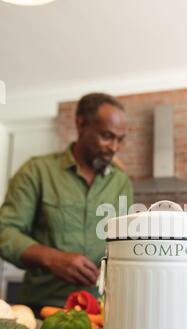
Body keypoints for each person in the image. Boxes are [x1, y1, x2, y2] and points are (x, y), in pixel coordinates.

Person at [0, 93, 133, 309]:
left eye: (120, 140)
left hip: (101, 307)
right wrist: (52, 258)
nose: (114, 147)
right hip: (43, 307)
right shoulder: (37, 171)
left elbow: (125, 242)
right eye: (107, 136)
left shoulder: (120, 182)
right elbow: (4, 231)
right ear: (81, 124)